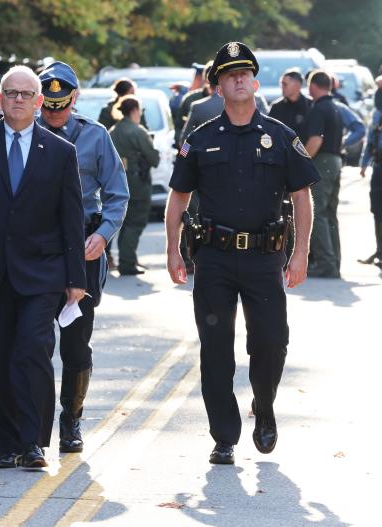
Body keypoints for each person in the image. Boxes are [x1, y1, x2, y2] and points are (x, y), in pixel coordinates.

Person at [166, 42, 319, 465]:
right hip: (213, 257)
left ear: (254, 81)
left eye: (244, 73)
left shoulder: (280, 137)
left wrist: (300, 252)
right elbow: (178, 198)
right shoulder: (199, 139)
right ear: (216, 87)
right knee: (215, 348)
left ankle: (264, 407)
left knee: (271, 342)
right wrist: (173, 251)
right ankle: (224, 436)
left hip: (264, 258)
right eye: (228, 74)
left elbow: (302, 196)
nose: (237, 79)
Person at [0, 66, 86, 469]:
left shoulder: (60, 151)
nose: (18, 99)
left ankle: (33, 442)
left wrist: (75, 277)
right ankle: (6, 444)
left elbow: (71, 217)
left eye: (27, 94)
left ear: (40, 102)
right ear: (0, 99)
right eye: (11, 93)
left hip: (40, 274)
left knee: (31, 352)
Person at [35, 62, 129, 453]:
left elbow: (117, 193)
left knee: (76, 343)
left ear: (74, 99)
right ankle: (33, 426)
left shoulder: (95, 135)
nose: (54, 113)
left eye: (61, 105)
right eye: (49, 106)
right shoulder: (26, 134)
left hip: (84, 248)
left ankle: (70, 421)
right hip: (38, 250)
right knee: (34, 343)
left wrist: (103, 236)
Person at [110, 95, 160, 276]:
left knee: (124, 222)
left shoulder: (113, 131)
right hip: (138, 182)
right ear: (134, 111)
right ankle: (128, 262)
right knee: (135, 222)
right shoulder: (138, 131)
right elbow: (153, 158)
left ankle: (127, 258)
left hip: (117, 182)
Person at [303, 70, 344, 278]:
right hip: (336, 160)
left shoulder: (318, 109)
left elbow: (315, 140)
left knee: (317, 213)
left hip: (322, 161)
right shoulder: (335, 107)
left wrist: (302, 161)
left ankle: (326, 264)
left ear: (313, 86)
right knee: (330, 214)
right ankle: (334, 261)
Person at [358, 108, 382, 268]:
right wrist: (364, 164)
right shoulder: (377, 115)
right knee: (377, 211)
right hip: (379, 169)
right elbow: (371, 143)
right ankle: (380, 251)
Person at [175, 62, 210, 146]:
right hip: (196, 150)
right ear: (205, 80)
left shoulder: (228, 101)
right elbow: (182, 133)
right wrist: (184, 155)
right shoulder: (191, 100)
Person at [269, 70, 310, 136]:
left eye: (285, 84)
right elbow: (269, 131)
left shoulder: (311, 105)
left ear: (297, 85)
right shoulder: (276, 107)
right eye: (281, 84)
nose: (282, 87)